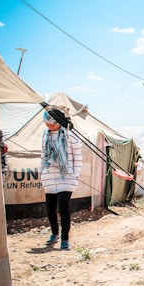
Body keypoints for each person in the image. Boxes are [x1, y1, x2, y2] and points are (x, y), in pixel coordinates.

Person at [40, 106, 82, 250]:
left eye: (51, 123)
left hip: (67, 177)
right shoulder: (45, 135)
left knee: (63, 207)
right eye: (47, 124)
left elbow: (78, 158)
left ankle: (65, 238)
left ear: (59, 122)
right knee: (50, 208)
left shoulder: (71, 137)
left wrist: (75, 175)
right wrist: (42, 172)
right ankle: (54, 233)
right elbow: (43, 155)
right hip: (49, 176)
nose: (49, 126)